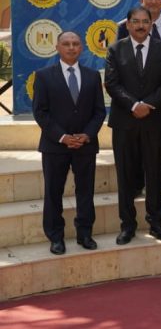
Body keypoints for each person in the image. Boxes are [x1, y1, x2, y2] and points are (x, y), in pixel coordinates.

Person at [105, 6, 161, 245]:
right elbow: (112, 83)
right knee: (125, 176)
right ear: (128, 24)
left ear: (150, 24)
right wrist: (134, 105)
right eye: (136, 21)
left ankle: (156, 223)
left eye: (145, 21)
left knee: (154, 174)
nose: (141, 25)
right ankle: (127, 225)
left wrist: (148, 105)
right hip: (125, 122)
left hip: (154, 122)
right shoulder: (116, 49)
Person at [32, 32, 106, 255]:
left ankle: (85, 234)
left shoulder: (93, 76)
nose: (71, 47)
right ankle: (56, 237)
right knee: (53, 193)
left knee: (86, 191)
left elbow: (99, 111)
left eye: (75, 44)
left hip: (85, 145)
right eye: (66, 44)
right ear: (57, 48)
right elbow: (40, 112)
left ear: (81, 48)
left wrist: (87, 134)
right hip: (55, 146)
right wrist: (62, 137)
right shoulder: (43, 76)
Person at [117, 0, 161, 194]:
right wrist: (133, 101)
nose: (153, 1)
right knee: (137, 141)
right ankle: (137, 182)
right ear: (141, 0)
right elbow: (121, 60)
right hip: (136, 98)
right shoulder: (124, 26)